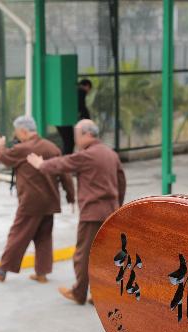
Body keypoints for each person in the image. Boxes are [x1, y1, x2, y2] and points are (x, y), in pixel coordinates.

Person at [27, 119, 125, 305]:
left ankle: (79, 292)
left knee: (83, 255)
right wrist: (116, 206)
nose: (76, 139)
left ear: (88, 134)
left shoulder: (88, 155)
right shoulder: (110, 154)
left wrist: (41, 165)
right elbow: (121, 182)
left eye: (77, 135)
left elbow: (65, 163)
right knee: (103, 256)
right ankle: (99, 294)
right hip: (110, 212)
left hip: (92, 213)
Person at [0, 116, 75, 284]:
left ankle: (2, 270)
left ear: (24, 131)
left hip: (31, 202)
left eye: (17, 133)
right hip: (50, 201)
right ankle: (42, 273)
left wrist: (0, 146)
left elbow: (4, 158)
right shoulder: (52, 147)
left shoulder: (23, 149)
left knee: (18, 234)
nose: (16, 136)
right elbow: (65, 172)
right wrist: (70, 195)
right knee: (44, 236)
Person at [56, 79, 93, 155]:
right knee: (69, 142)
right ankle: (66, 161)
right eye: (89, 89)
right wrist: (87, 118)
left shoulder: (72, 91)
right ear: (87, 86)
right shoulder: (81, 91)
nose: (88, 92)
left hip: (59, 118)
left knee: (68, 142)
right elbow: (81, 106)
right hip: (66, 119)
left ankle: (65, 160)